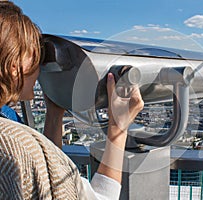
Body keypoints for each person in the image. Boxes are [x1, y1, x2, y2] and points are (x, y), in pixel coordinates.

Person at [0, 1, 144, 199]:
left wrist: (54, 115)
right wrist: (118, 129)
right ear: (14, 66)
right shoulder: (14, 145)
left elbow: (49, 177)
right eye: (33, 56)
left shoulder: (7, 118)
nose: (39, 68)